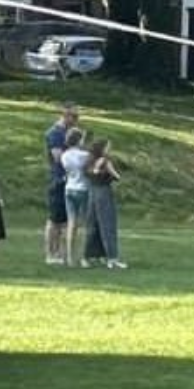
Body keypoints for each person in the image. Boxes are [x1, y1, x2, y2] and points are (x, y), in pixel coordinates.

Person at [43, 102, 79, 265]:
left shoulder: (69, 132)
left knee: (65, 220)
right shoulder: (55, 133)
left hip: (70, 180)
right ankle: (51, 253)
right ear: (65, 115)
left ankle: (61, 253)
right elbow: (58, 157)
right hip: (58, 180)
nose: (77, 120)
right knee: (54, 219)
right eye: (74, 116)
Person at [84, 138, 126, 269]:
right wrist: (108, 168)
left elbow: (90, 173)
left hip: (92, 193)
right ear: (102, 149)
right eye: (108, 147)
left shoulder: (88, 161)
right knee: (108, 224)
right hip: (104, 193)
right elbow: (117, 177)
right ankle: (112, 258)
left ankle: (90, 256)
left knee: (93, 225)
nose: (110, 150)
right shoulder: (104, 161)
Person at [60, 127, 91, 267]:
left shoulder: (64, 155)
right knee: (84, 224)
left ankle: (69, 256)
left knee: (71, 223)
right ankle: (84, 257)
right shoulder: (84, 155)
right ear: (78, 140)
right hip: (83, 188)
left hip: (69, 188)